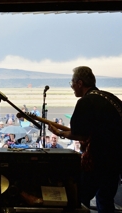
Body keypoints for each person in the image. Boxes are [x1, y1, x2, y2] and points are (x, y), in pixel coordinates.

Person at [49, 66, 122, 213]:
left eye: (72, 84)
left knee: (81, 198)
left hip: (98, 160)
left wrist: (59, 132)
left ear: (80, 83)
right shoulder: (110, 97)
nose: (72, 88)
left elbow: (79, 135)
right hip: (116, 160)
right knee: (105, 199)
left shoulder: (86, 102)